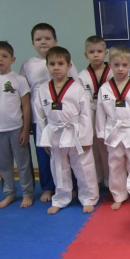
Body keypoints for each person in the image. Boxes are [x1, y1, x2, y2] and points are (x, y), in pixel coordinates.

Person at [33, 46, 99, 214]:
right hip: (54, 132)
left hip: (75, 132)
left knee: (83, 167)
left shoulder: (77, 88)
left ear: (69, 66)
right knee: (58, 168)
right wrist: (44, 140)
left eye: (60, 63)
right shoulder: (42, 90)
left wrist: (85, 139)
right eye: (52, 64)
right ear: (47, 66)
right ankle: (61, 198)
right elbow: (40, 117)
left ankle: (88, 198)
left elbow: (85, 115)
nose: (56, 67)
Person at [20, 23, 79, 202]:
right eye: (38, 39)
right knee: (44, 154)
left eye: (47, 38)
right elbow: (23, 93)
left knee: (67, 153)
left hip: (64, 117)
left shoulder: (65, 61)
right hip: (40, 117)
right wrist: (25, 120)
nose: (43, 42)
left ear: (56, 40)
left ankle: (72, 186)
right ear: (33, 43)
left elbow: (75, 87)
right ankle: (48, 187)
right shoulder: (28, 65)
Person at [0, 41, 34, 209]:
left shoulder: (19, 80)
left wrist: (25, 129)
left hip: (16, 128)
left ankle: (27, 193)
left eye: (4, 56)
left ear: (12, 59)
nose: (0, 59)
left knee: (23, 163)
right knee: (3, 164)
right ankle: (9, 193)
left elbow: (26, 105)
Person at [96, 45, 130, 210]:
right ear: (109, 64)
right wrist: (100, 132)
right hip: (113, 131)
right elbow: (100, 112)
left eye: (124, 65)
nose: (120, 69)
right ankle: (119, 195)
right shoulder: (104, 88)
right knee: (115, 164)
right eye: (116, 65)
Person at [77, 35, 112, 189]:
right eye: (92, 52)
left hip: (109, 113)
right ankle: (97, 179)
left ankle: (110, 180)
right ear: (86, 55)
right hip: (89, 113)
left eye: (99, 51)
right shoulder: (82, 76)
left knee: (107, 148)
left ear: (106, 53)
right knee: (92, 148)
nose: (96, 55)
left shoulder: (113, 72)